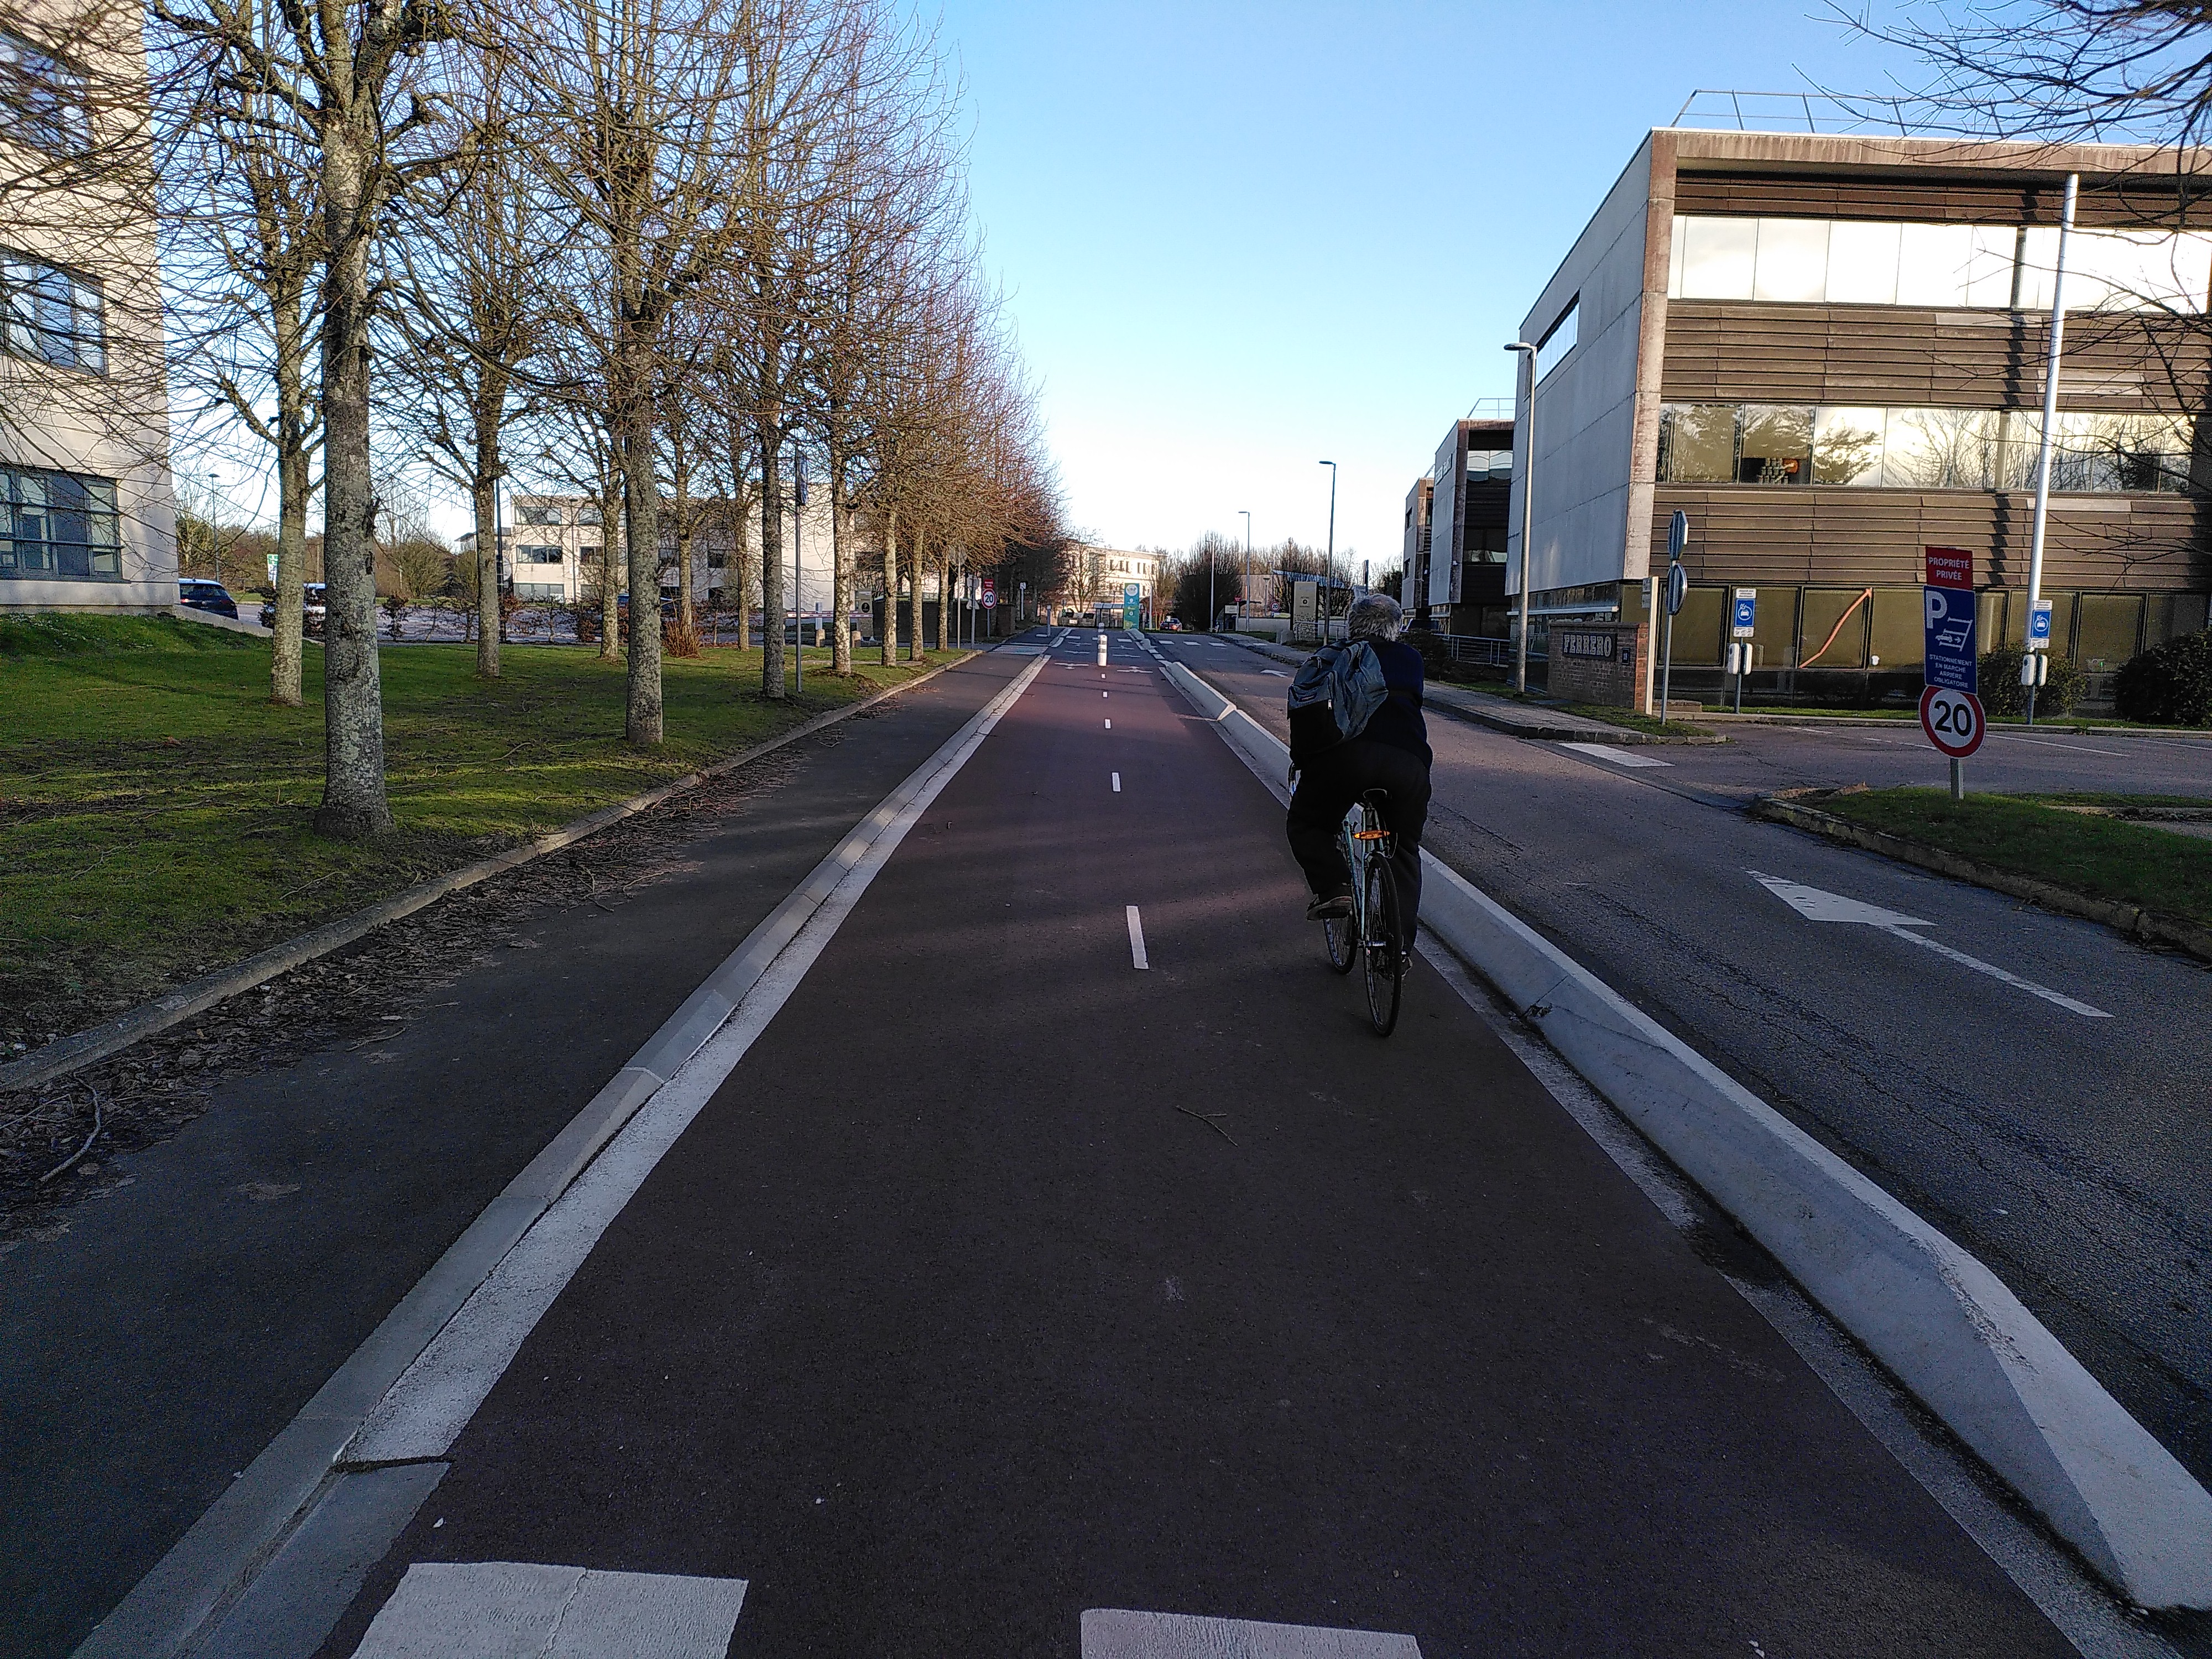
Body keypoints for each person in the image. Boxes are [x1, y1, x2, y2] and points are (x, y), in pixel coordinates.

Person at [1285, 592, 1431, 941]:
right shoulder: (1412, 659)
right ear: (1397, 628)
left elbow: (1309, 714)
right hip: (1409, 766)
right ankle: (1399, 950)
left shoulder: (1334, 657)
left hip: (1345, 761)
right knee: (1405, 849)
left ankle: (1335, 888)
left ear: (1353, 625)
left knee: (1307, 824)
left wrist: (1302, 762)